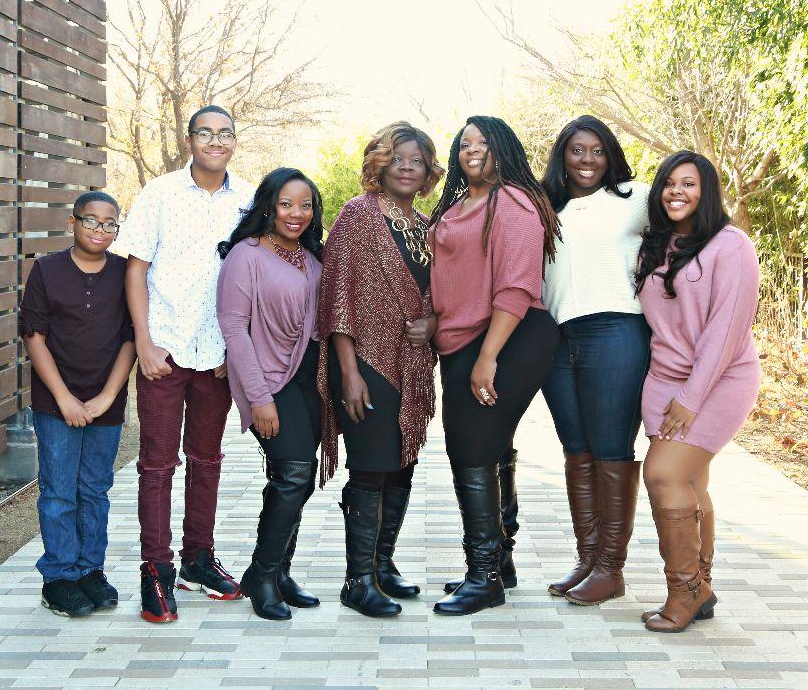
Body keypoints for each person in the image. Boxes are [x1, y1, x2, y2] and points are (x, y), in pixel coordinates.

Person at [117, 105, 254, 623]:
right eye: (206, 133)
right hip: (166, 350)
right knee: (156, 465)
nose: (215, 141)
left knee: (207, 459)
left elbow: (253, 274)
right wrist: (145, 343)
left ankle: (199, 557)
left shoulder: (248, 199)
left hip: (218, 355)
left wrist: (235, 349)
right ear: (189, 139)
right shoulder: (159, 194)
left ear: (234, 141)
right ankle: (156, 570)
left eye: (225, 133)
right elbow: (136, 269)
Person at [428, 115, 560, 616]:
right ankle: (499, 561)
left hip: (509, 336)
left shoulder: (514, 203)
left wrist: (488, 358)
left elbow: (516, 286)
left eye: (484, 142)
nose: (473, 150)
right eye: (465, 143)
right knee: (490, 444)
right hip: (461, 340)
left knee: (470, 449)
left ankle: (483, 576)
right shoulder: (460, 205)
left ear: (504, 149)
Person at [317, 122, 443, 618]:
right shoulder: (357, 216)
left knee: (402, 463)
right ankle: (357, 580)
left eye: (417, 160)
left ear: (428, 169)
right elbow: (338, 298)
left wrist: (433, 322)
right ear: (380, 164)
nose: (407, 167)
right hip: (366, 362)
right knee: (370, 468)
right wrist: (347, 371)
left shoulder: (427, 225)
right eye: (398, 159)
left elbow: (441, 294)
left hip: (411, 365)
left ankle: (382, 563)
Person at [634, 151, 760, 632]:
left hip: (719, 379)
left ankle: (682, 593)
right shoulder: (657, 244)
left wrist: (690, 397)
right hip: (664, 379)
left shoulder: (731, 246)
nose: (676, 192)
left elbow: (726, 330)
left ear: (707, 191)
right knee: (690, 483)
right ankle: (700, 589)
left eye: (688, 183)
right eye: (668, 183)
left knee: (663, 475)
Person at [538, 115, 651, 606]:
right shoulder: (545, 206)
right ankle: (587, 558)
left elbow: (697, 225)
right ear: (562, 155)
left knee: (610, 447)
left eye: (597, 151)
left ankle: (611, 568)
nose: (587, 161)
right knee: (577, 447)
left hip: (616, 329)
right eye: (577, 151)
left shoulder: (635, 198)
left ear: (610, 155)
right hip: (557, 337)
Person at [19, 191, 136, 617]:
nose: (100, 230)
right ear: (72, 223)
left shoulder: (125, 272)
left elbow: (131, 337)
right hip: (56, 403)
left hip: (107, 400)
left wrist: (106, 397)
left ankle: (90, 570)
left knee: (94, 490)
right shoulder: (47, 270)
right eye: (91, 221)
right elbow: (34, 336)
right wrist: (65, 398)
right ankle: (59, 577)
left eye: (109, 223)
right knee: (58, 491)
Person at [217, 167, 325, 621]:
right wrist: (259, 399)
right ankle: (261, 574)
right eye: (286, 204)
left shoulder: (311, 255)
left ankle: (278, 571)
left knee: (296, 472)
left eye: (305, 204)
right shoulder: (247, 255)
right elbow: (233, 329)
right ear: (268, 206)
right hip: (267, 380)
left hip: (307, 381)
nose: (296, 213)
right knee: (295, 472)